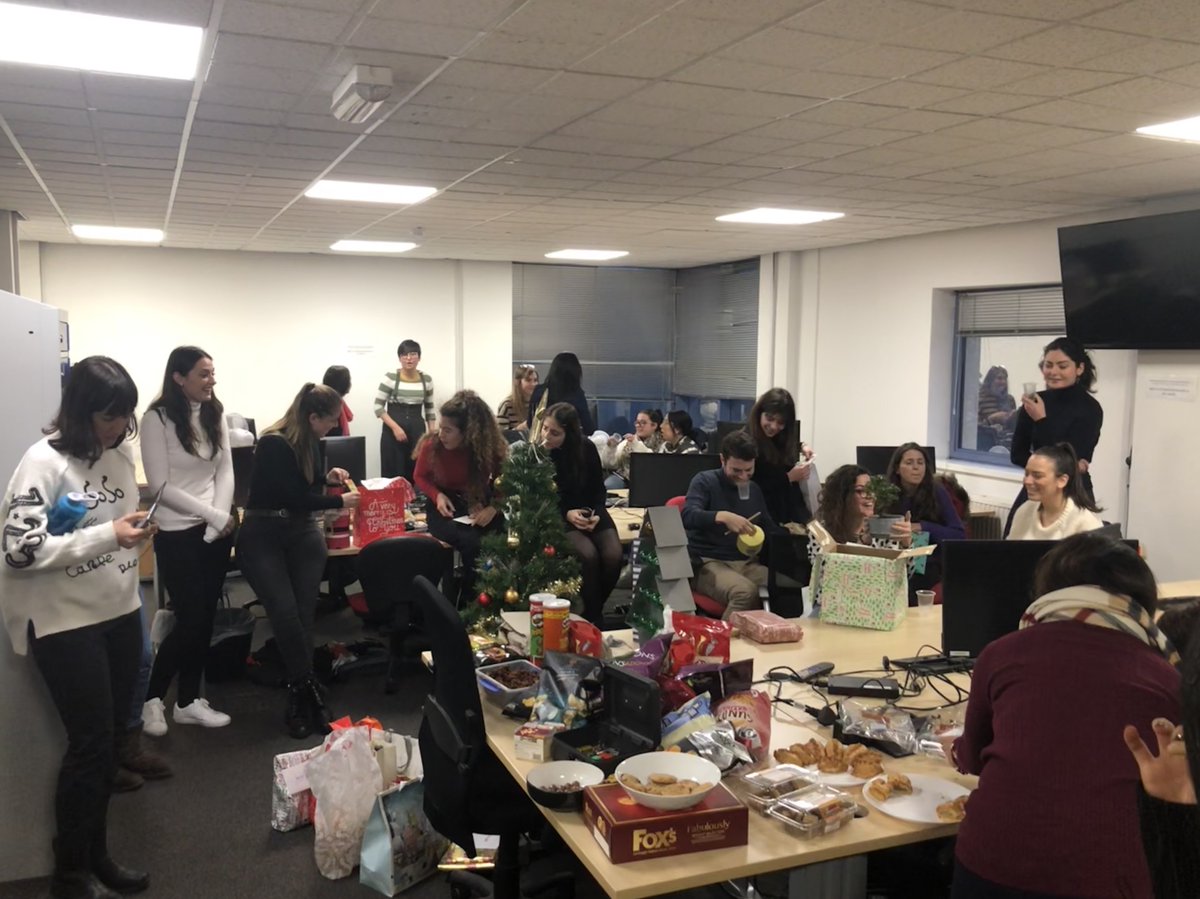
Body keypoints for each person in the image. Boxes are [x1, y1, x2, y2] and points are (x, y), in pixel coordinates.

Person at [947, 533, 1180, 899]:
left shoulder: (1001, 653)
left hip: (991, 864)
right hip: (1110, 877)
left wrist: (960, 748)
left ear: (1049, 592)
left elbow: (973, 758)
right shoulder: (1167, 678)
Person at [0, 356, 157, 899]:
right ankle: (70, 874)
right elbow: (17, 552)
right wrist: (107, 536)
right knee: (89, 747)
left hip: (116, 610)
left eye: (124, 416)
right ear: (81, 411)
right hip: (63, 621)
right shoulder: (42, 461)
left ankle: (98, 856)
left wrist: (132, 533)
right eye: (108, 416)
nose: (117, 427)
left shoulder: (117, 456)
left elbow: (114, 529)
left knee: (108, 746)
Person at [237, 384, 359, 739]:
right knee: (286, 614)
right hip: (265, 533)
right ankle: (306, 692)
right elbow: (289, 495)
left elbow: (299, 483)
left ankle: (301, 693)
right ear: (312, 417)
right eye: (331, 421)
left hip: (300, 533)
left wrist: (325, 478)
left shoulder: (307, 440)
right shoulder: (274, 442)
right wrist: (337, 502)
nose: (334, 428)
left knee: (303, 616)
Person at [139, 346, 235, 736]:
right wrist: (212, 515)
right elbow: (160, 485)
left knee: (206, 617)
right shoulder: (155, 419)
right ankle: (151, 698)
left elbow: (225, 471)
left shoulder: (216, 413)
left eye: (213, 373)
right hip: (178, 532)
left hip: (213, 531)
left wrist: (221, 518)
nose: (212, 380)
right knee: (191, 617)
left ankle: (188, 701)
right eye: (203, 374)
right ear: (179, 377)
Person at [413, 390, 507, 605]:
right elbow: (420, 476)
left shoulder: (486, 449)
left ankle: (493, 597)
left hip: (479, 501)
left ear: (469, 433)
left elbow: (505, 482)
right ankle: (469, 604)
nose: (441, 434)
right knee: (471, 543)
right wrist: (437, 496)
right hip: (445, 504)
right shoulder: (433, 445)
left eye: (448, 430)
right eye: (441, 427)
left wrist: (493, 507)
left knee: (498, 536)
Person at [681, 431, 785, 620]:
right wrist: (721, 516)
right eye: (736, 470)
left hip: (746, 562)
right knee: (745, 592)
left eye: (749, 470)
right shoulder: (705, 481)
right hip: (708, 561)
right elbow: (687, 515)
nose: (743, 476)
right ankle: (723, 643)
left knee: (786, 583)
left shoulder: (753, 489)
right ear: (723, 459)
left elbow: (768, 525)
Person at [1008, 337, 1102, 530]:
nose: (1053, 372)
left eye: (1062, 366)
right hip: (1036, 488)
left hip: (1073, 491)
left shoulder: (1090, 409)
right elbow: (1017, 454)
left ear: (1079, 369)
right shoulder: (1034, 402)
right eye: (1048, 365)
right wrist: (1042, 471)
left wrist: (1041, 420)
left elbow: (1067, 464)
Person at [541, 403, 622, 626]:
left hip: (589, 509)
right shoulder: (540, 453)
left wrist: (595, 512)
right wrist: (566, 514)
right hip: (556, 512)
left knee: (614, 555)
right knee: (588, 555)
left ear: (570, 433)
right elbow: (540, 498)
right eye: (545, 428)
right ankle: (593, 617)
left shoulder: (585, 448)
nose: (547, 435)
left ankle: (593, 609)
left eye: (555, 432)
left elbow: (598, 488)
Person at [808, 464, 912, 608]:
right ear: (843, 496)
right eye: (861, 491)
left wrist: (906, 545)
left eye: (872, 490)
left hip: (874, 608)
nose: (869, 496)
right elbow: (832, 574)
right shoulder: (820, 531)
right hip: (832, 607)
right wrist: (863, 542)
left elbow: (903, 576)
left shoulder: (882, 528)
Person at [882, 443, 964, 600]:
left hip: (928, 563)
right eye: (909, 462)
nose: (916, 468)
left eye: (920, 463)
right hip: (894, 560)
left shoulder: (937, 491)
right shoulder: (888, 492)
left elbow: (959, 534)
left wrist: (922, 527)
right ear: (897, 468)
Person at [1007, 442, 1104, 540]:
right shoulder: (1024, 511)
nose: (1027, 481)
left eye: (1037, 476)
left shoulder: (1085, 523)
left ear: (1062, 481)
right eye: (1026, 474)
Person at [746, 388, 813, 525]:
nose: (774, 427)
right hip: (764, 516)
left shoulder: (779, 437)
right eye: (769, 419)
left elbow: (780, 447)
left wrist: (801, 446)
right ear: (760, 413)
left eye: (780, 423)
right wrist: (788, 478)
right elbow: (751, 485)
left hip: (787, 512)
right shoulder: (747, 442)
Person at [374, 339, 435, 481]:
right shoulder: (390, 378)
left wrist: (432, 435)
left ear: (419, 357)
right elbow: (378, 407)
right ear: (399, 358)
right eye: (404, 355)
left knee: (416, 470)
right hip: (393, 429)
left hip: (417, 429)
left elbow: (429, 409)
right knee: (393, 472)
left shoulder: (426, 380)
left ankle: (414, 502)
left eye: (413, 354)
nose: (409, 358)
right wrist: (395, 428)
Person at [527, 351, 594, 436]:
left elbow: (530, 423)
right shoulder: (576, 395)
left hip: (541, 443)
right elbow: (588, 428)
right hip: (570, 445)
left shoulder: (539, 391)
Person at [602, 408, 662, 487]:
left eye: (643, 423)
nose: (638, 426)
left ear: (654, 425)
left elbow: (651, 463)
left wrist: (636, 445)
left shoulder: (661, 443)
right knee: (608, 485)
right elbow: (610, 465)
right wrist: (611, 448)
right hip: (624, 478)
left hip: (649, 480)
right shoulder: (629, 441)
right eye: (637, 422)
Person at [976, 365, 1017, 451]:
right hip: (988, 445)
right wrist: (992, 419)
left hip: (1009, 445)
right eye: (999, 378)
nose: (1003, 382)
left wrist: (1013, 417)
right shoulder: (980, 399)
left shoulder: (1010, 399)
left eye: (1005, 379)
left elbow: (1014, 427)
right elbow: (973, 429)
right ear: (990, 381)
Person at [496, 363, 538, 432]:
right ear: (518, 382)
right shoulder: (507, 405)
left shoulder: (537, 404)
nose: (533, 384)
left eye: (535, 380)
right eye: (528, 380)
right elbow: (500, 434)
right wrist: (520, 428)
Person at [322, 365, 353, 437]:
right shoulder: (330, 406)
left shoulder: (338, 402)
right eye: (349, 380)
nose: (350, 384)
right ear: (342, 383)